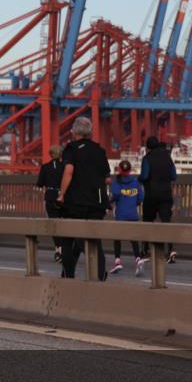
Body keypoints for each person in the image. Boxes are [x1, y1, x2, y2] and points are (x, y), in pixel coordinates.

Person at [56, 117, 111, 280]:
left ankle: (68, 274)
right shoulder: (99, 150)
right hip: (97, 202)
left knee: (67, 239)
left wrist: (62, 194)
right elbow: (107, 178)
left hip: (76, 202)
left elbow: (69, 172)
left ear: (74, 131)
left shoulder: (71, 149)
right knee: (94, 240)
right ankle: (100, 273)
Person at [139, 135, 178, 264]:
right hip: (166, 195)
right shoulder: (168, 158)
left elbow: (145, 175)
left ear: (147, 147)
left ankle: (145, 250)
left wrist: (139, 179)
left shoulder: (147, 158)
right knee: (166, 222)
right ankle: (170, 250)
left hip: (152, 196)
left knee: (147, 223)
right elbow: (173, 176)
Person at [109, 159, 148, 276]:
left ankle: (117, 261)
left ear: (120, 170)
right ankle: (137, 259)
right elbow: (141, 197)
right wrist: (132, 203)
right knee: (133, 239)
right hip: (133, 214)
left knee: (117, 238)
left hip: (120, 214)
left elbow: (115, 195)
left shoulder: (116, 182)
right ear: (130, 170)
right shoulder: (136, 182)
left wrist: (111, 202)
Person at [36, 145, 64, 262]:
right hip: (63, 197)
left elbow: (40, 183)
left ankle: (58, 250)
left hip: (50, 196)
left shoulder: (45, 167)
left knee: (53, 224)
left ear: (50, 154)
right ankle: (65, 248)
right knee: (63, 224)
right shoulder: (65, 167)